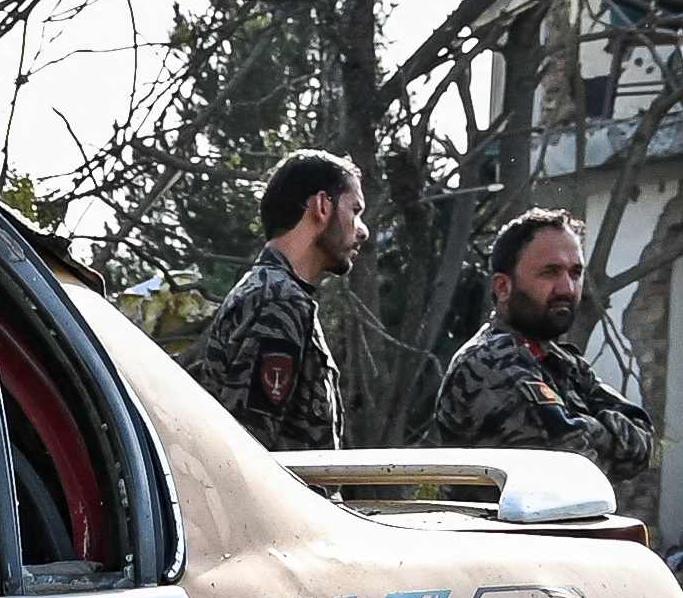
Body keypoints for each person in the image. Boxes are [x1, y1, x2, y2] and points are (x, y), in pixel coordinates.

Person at [424, 209, 654, 503]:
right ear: (503, 287)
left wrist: (584, 425)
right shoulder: (490, 362)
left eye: (575, 273)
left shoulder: (559, 360)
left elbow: (644, 441)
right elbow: (575, 466)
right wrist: (600, 426)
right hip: (506, 533)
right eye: (550, 272)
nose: (567, 288)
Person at [186, 151, 367, 453]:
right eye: (355, 210)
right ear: (322, 206)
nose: (362, 230)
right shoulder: (279, 301)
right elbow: (247, 452)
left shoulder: (275, 293)